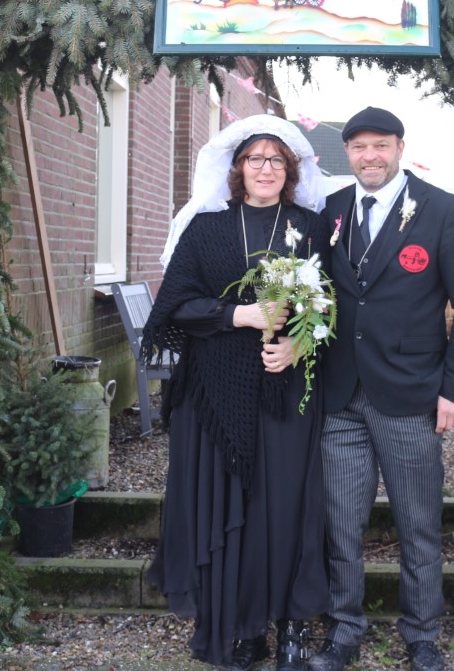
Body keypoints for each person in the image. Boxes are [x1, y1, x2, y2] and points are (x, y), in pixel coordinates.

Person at [141, 114, 331, 670]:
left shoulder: (311, 227)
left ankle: (291, 625)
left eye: (276, 160)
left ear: (290, 170)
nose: (265, 169)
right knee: (232, 510)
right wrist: (237, 315)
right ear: (238, 167)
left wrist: (300, 344)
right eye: (255, 159)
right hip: (214, 394)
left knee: (287, 505)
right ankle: (242, 627)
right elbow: (173, 306)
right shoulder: (207, 228)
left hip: (284, 390)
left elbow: (335, 304)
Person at [310, 107, 454, 671]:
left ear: (400, 148)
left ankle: (422, 636)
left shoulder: (442, 210)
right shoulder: (332, 210)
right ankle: (343, 630)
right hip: (341, 397)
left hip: (412, 396)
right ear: (348, 153)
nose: (370, 156)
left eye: (380, 145)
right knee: (341, 525)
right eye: (359, 147)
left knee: (418, 526)